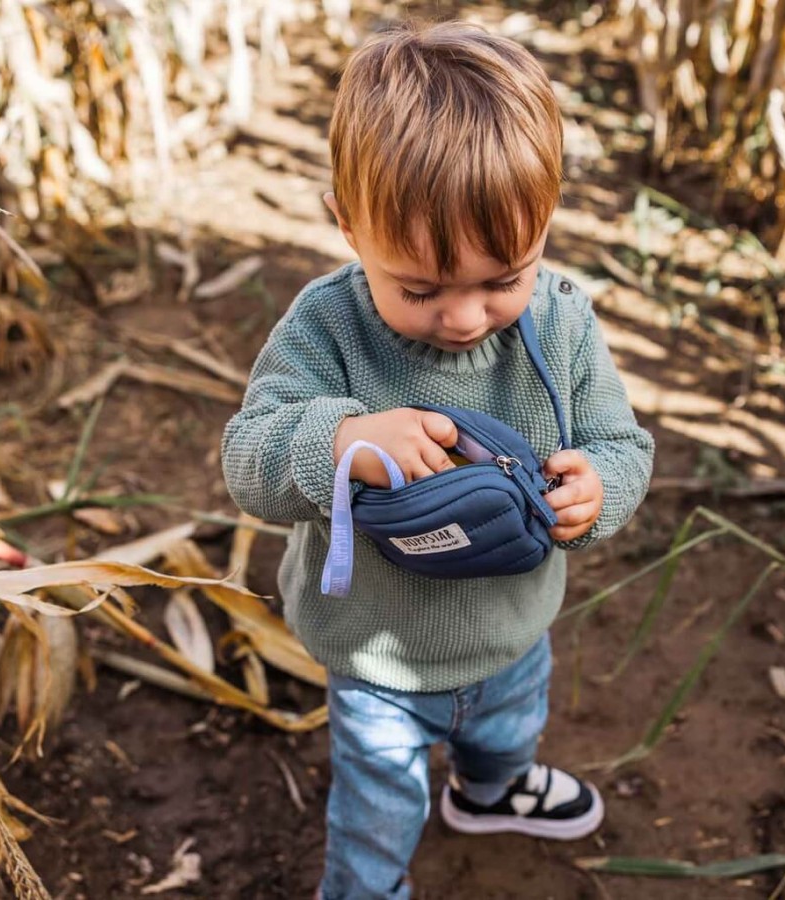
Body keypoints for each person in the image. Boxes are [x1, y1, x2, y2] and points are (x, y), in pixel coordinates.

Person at [222, 20, 654, 900]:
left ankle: (490, 790)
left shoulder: (565, 322)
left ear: (544, 223)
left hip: (512, 629)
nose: (462, 318)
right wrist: (342, 442)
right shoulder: (327, 328)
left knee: (508, 728)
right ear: (348, 224)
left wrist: (601, 491)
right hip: (378, 664)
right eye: (419, 289)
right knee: (376, 809)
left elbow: (623, 443)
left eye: (503, 279)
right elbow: (248, 457)